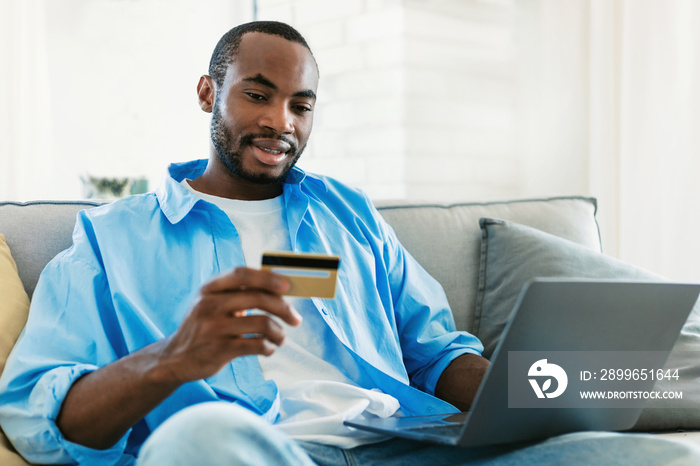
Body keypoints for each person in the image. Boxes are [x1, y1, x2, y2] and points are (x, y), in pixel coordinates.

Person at [1, 20, 699, 466]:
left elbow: (434, 353)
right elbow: (35, 413)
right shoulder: (111, 239)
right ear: (208, 92)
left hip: (401, 450)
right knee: (194, 441)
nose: (281, 121)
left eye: (301, 105)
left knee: (646, 459)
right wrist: (172, 359)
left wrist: (520, 395)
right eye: (258, 94)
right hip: (256, 453)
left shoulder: (349, 218)